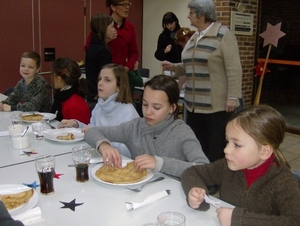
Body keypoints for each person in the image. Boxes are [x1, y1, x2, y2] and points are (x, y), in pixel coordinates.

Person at [181, 105, 300, 226]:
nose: (226, 150)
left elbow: (294, 221)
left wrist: (239, 220)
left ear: (264, 151)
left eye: (237, 145)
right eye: (227, 141)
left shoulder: (283, 182)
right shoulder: (226, 166)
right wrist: (195, 190)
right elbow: (192, 172)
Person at [162, 0, 242, 163]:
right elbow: (189, 66)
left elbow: (234, 68)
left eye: (191, 13)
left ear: (202, 15)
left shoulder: (223, 35)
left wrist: (233, 96)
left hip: (216, 105)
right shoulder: (194, 37)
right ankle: (199, 175)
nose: (188, 16)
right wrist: (174, 67)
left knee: (215, 146)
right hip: (193, 105)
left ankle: (213, 180)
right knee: (196, 144)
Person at [84, 75, 209, 179]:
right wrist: (103, 145)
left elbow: (204, 169)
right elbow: (91, 132)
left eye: (156, 107)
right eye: (144, 104)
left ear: (172, 108)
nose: (148, 112)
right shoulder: (135, 126)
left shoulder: (182, 132)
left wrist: (160, 163)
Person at [58, 64, 139, 158]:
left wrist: (101, 142)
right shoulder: (100, 105)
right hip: (100, 157)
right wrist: (77, 125)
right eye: (100, 79)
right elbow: (92, 129)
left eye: (107, 80)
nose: (100, 83)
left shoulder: (128, 112)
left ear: (119, 87)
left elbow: (129, 151)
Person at [84, 0, 138, 72]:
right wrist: (107, 40)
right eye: (123, 5)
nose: (127, 7)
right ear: (113, 7)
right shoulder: (103, 24)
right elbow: (89, 48)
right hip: (105, 69)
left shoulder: (130, 27)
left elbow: (133, 51)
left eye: (128, 4)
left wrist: (128, 67)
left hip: (122, 70)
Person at [85, 14, 117, 110]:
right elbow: (108, 76)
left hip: (92, 95)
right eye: (111, 27)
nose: (114, 30)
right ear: (103, 28)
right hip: (99, 98)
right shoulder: (102, 51)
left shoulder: (91, 47)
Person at [50, 58, 90, 124]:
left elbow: (79, 132)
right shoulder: (61, 97)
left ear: (59, 78)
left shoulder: (74, 104)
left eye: (52, 75)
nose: (51, 77)